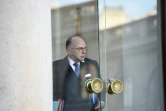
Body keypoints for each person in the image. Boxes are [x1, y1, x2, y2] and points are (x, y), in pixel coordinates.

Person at [53, 35, 103, 111]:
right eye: (80, 49)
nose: (84, 52)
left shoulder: (92, 64)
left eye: (85, 48)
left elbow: (100, 86)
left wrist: (101, 101)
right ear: (69, 50)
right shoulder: (55, 66)